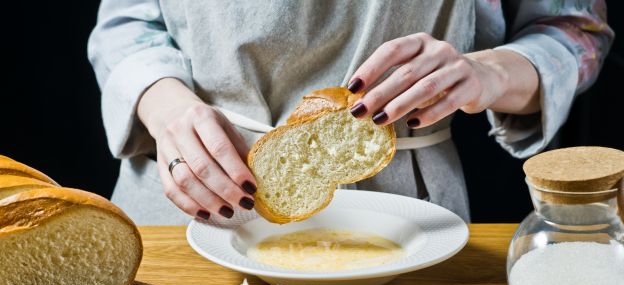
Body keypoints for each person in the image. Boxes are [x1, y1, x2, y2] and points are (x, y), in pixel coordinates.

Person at [88, 1, 613, 225]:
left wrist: (491, 72)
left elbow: (574, 28)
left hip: (407, 220)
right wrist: (164, 104)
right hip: (189, 199)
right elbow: (127, 20)